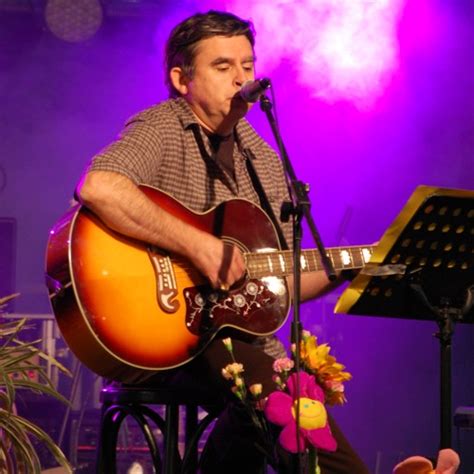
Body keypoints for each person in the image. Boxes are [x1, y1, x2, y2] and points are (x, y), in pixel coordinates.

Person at [77, 10, 369, 474]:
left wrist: (350, 268)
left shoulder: (263, 159)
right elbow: (100, 186)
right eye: (222, 66)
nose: (241, 78)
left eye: (247, 66)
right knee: (284, 398)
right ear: (182, 79)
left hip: (236, 342)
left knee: (270, 395)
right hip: (166, 333)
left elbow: (281, 281)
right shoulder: (162, 128)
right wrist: (199, 246)